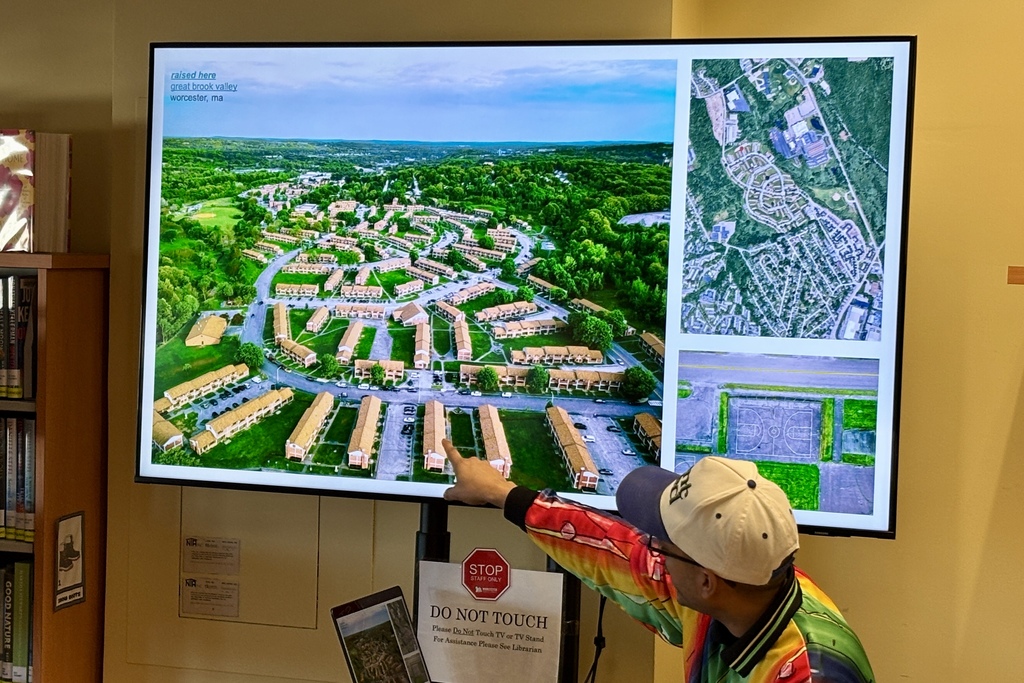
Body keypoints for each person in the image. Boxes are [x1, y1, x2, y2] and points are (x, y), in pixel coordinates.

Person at [442, 440, 875, 682]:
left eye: (662, 545)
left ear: (707, 581)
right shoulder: (748, 587)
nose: (652, 552)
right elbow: (613, 550)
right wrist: (502, 493)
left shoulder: (806, 676)